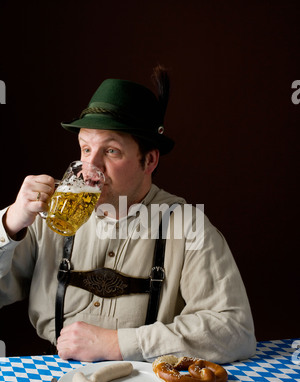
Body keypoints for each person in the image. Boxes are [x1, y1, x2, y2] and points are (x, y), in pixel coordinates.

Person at [0, 66, 256, 363]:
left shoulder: (187, 227)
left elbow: (235, 331)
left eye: (111, 151)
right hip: (54, 377)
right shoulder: (52, 215)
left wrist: (119, 344)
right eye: (85, 149)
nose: (89, 167)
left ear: (149, 160)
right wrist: (10, 224)